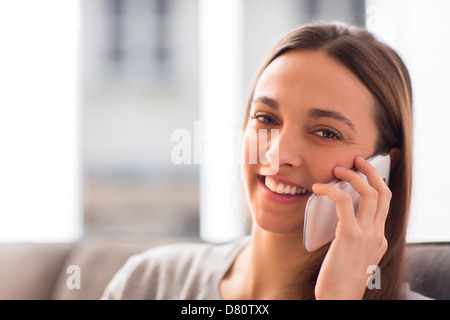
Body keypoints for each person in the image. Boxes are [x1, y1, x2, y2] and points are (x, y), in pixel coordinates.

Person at [102, 22, 429, 300]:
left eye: (326, 133)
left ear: (384, 167)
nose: (275, 155)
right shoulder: (149, 283)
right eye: (266, 118)